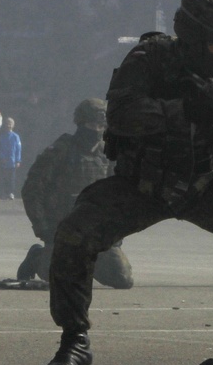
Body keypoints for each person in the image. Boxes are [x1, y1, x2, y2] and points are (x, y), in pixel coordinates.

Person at [42, 0, 213, 365]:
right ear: (192, 37)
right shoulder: (149, 60)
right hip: (145, 183)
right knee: (76, 232)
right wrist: (183, 111)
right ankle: (75, 340)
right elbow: (121, 116)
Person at [17, 98, 134, 289]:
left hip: (98, 230)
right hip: (63, 229)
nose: (96, 130)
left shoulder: (109, 154)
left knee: (122, 279)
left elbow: (121, 194)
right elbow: (32, 190)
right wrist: (43, 227)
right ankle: (37, 257)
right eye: (91, 125)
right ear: (80, 124)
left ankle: (85, 263)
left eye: (100, 126)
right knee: (60, 278)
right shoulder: (61, 151)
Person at [0, 117, 22, 199]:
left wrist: (18, 160)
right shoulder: (2, 136)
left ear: (13, 125)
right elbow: (0, 148)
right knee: (4, 178)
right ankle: (4, 192)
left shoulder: (16, 136)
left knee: (12, 178)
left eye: (10, 124)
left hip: (13, 162)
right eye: (7, 124)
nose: (8, 125)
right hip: (4, 162)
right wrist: (2, 158)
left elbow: (18, 149)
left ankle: (11, 192)